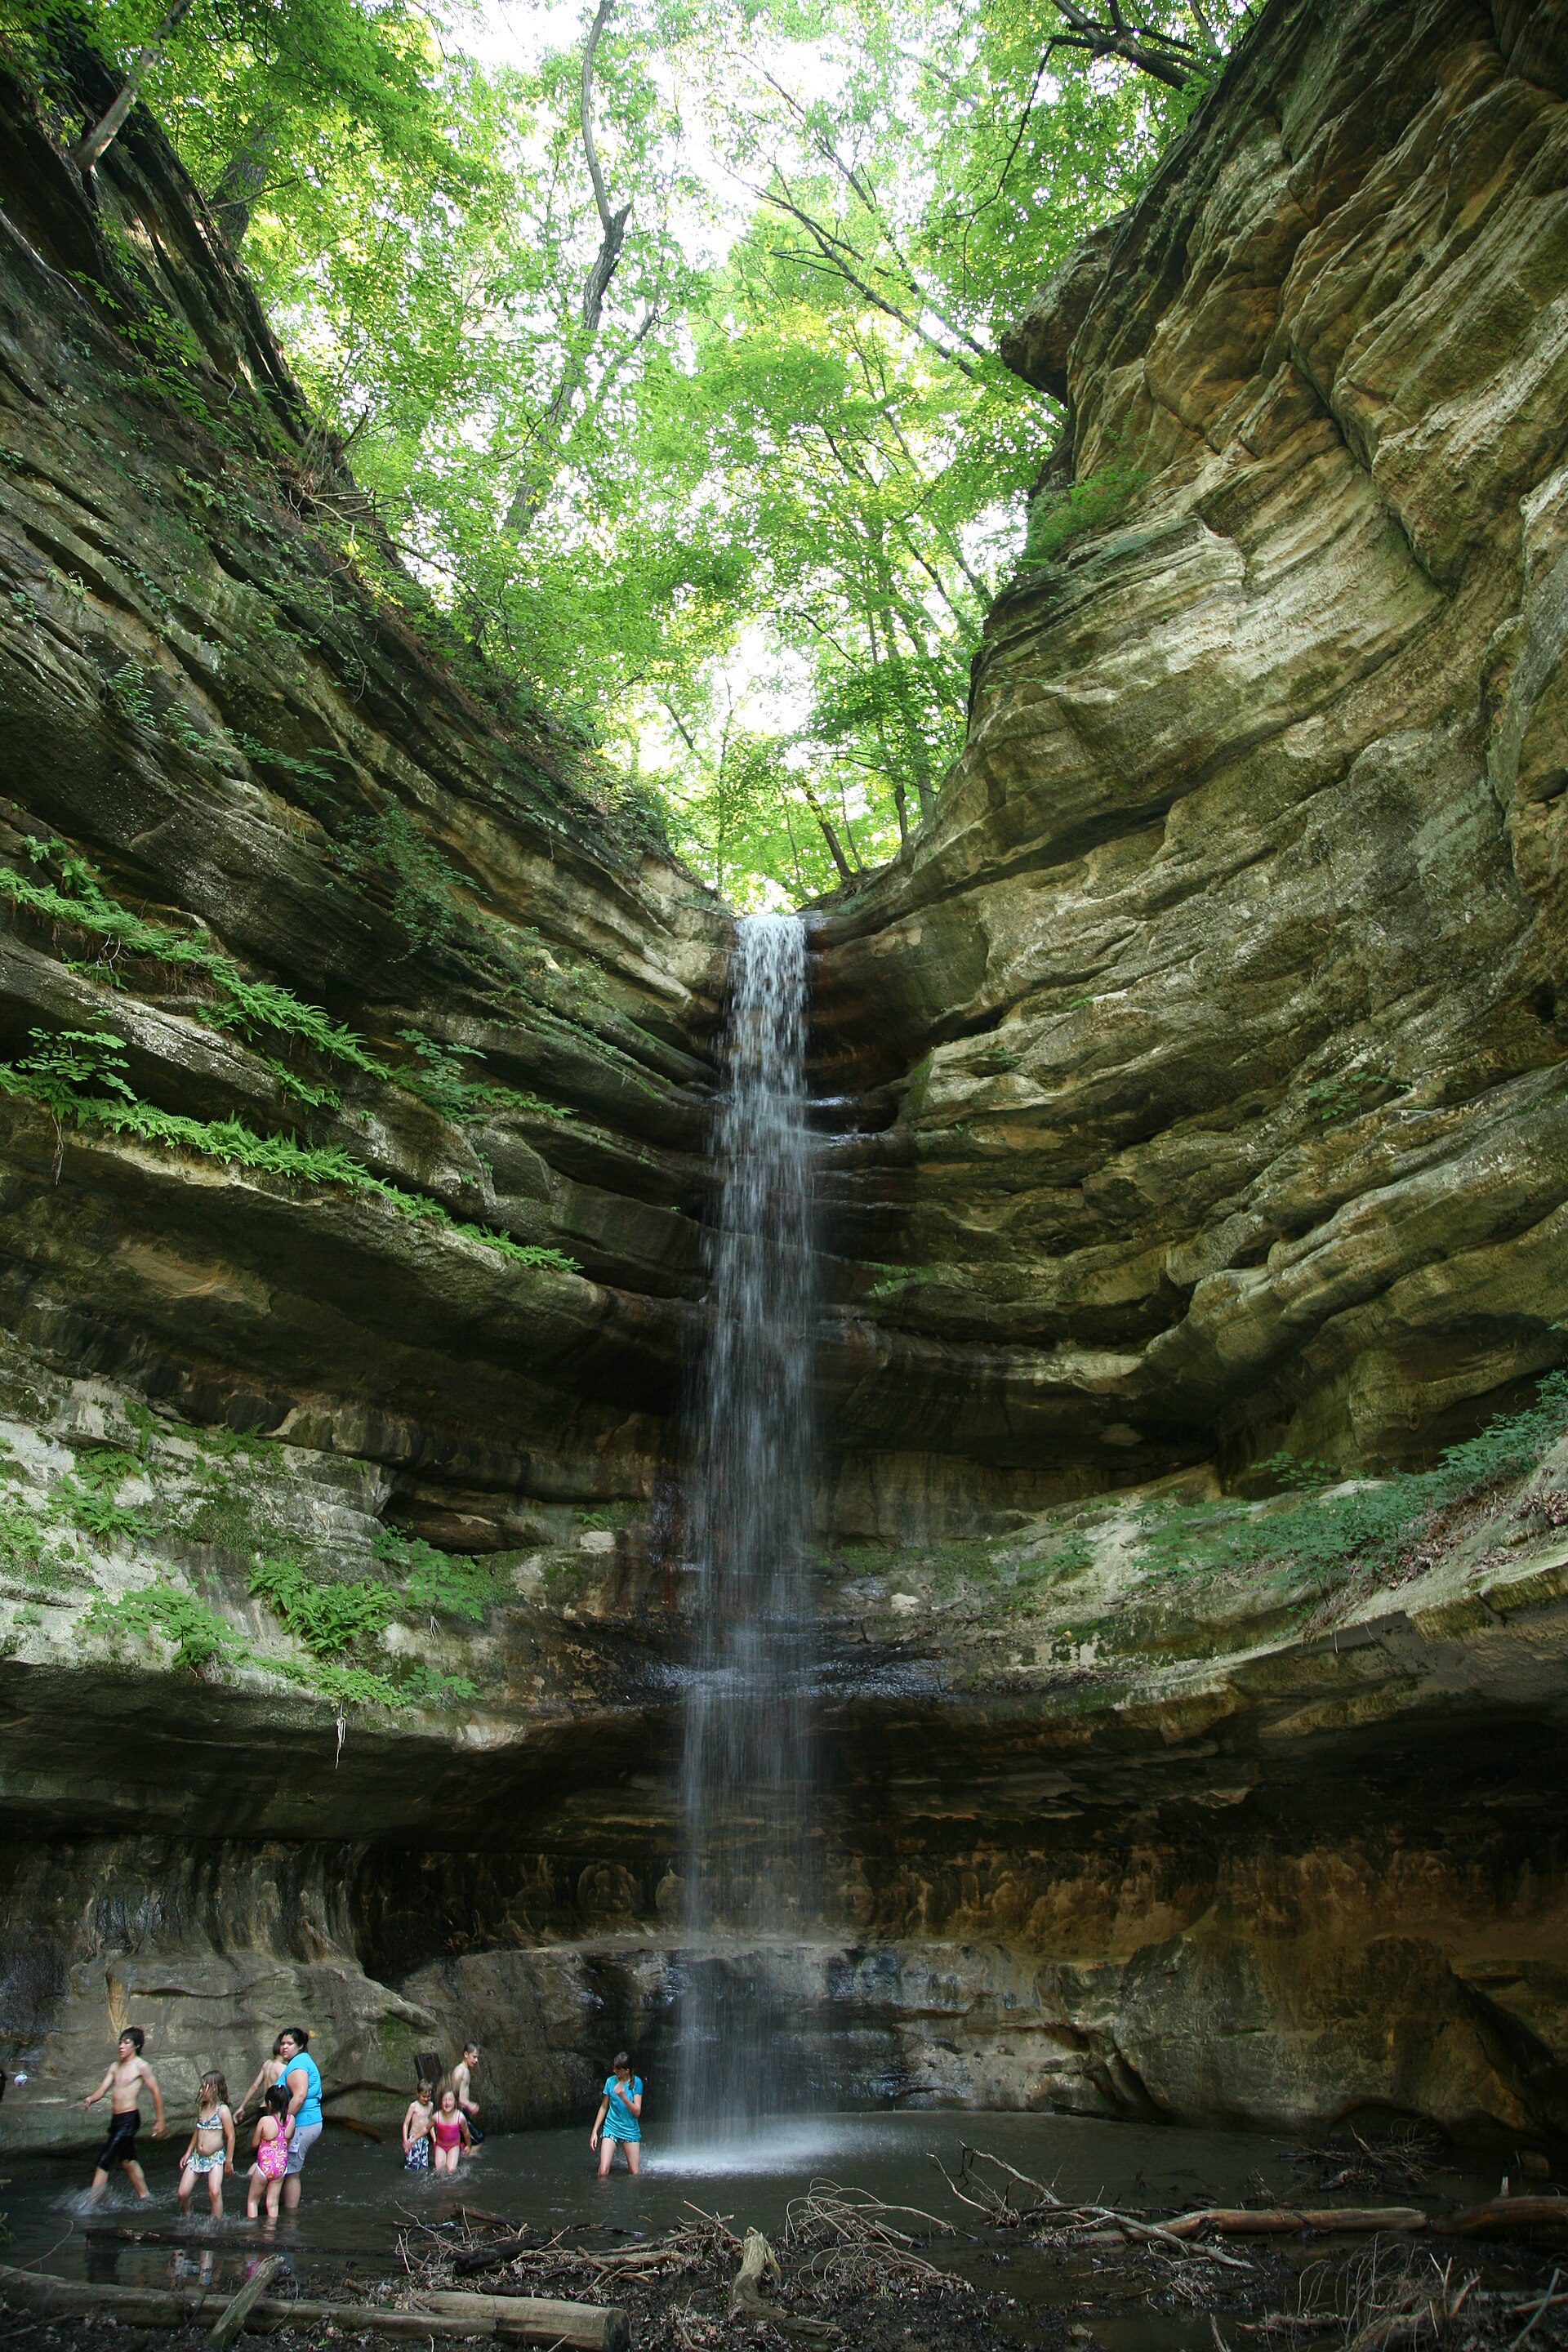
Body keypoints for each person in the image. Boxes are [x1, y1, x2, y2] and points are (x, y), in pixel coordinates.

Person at [83, 2027, 165, 2201]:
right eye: (120, 2042)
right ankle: (146, 2195)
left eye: (126, 2043)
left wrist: (160, 2121)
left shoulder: (141, 2066)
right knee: (127, 2160)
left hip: (130, 2119)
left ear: (136, 2045)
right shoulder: (115, 2067)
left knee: (104, 2159)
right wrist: (92, 2098)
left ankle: (90, 2203)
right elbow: (103, 2088)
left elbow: (156, 2091)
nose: (121, 2046)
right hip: (117, 2119)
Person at [276, 2027, 323, 2212]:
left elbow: (300, 2096)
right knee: (288, 2170)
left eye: (290, 2044)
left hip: (302, 2124)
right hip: (307, 2123)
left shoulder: (299, 2064)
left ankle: (290, 2218)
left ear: (300, 2045)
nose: (284, 2047)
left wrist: (281, 2123)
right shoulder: (300, 2061)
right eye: (282, 2044)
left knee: (291, 2172)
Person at [177, 2071, 235, 2216]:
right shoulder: (202, 2107)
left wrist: (229, 2161)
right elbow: (198, 2130)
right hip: (198, 2156)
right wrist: (188, 2152)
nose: (201, 2091)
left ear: (214, 2088)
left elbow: (231, 2136)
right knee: (182, 2193)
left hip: (215, 2157)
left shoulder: (223, 2110)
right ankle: (188, 2216)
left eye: (204, 2087)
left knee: (214, 2192)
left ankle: (217, 2224)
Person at [590, 2054, 642, 2178]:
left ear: (627, 2071)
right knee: (603, 2171)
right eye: (614, 2068)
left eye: (618, 2069)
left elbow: (637, 2111)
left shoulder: (637, 2083)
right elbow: (604, 2107)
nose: (614, 2071)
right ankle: (603, 2195)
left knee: (634, 2173)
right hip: (611, 2127)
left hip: (630, 2129)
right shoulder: (610, 2081)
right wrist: (594, 2131)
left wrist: (623, 2097)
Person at [247, 2086, 292, 2222]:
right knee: (272, 2204)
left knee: (253, 2201)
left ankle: (253, 2232)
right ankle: (271, 2235)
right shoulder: (291, 2120)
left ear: (270, 2104)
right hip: (280, 2168)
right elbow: (288, 2138)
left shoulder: (265, 2121)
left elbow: (254, 2144)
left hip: (264, 2167)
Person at [233, 2035, 287, 2123]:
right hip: (274, 2110)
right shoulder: (283, 2068)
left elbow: (255, 2086)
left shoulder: (267, 2064)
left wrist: (242, 2107)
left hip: (263, 2108)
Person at [429, 2089, 470, 2175]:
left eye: (450, 2100)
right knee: (439, 2171)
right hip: (440, 2146)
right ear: (441, 2102)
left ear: (455, 2102)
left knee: (451, 2171)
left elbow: (466, 2133)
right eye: (444, 2100)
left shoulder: (460, 2117)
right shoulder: (437, 2116)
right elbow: (426, 2128)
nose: (447, 2102)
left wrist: (469, 2145)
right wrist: (413, 2139)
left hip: (454, 2146)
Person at [450, 2043, 483, 2144]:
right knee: (478, 2138)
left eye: (477, 2058)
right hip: (458, 2113)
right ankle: (467, 2157)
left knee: (468, 2140)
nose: (476, 2060)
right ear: (466, 2054)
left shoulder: (466, 2070)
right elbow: (453, 2095)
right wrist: (468, 2104)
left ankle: (464, 2156)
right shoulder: (459, 2071)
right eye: (474, 2057)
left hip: (463, 2111)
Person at [402, 2080, 435, 2172]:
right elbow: (406, 2124)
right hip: (413, 2139)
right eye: (424, 2096)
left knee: (424, 2165)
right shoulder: (413, 2106)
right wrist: (405, 2141)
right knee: (411, 2164)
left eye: (428, 2096)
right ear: (417, 2093)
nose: (426, 2099)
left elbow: (430, 2124)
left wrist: (435, 2139)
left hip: (424, 2139)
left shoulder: (431, 2105)